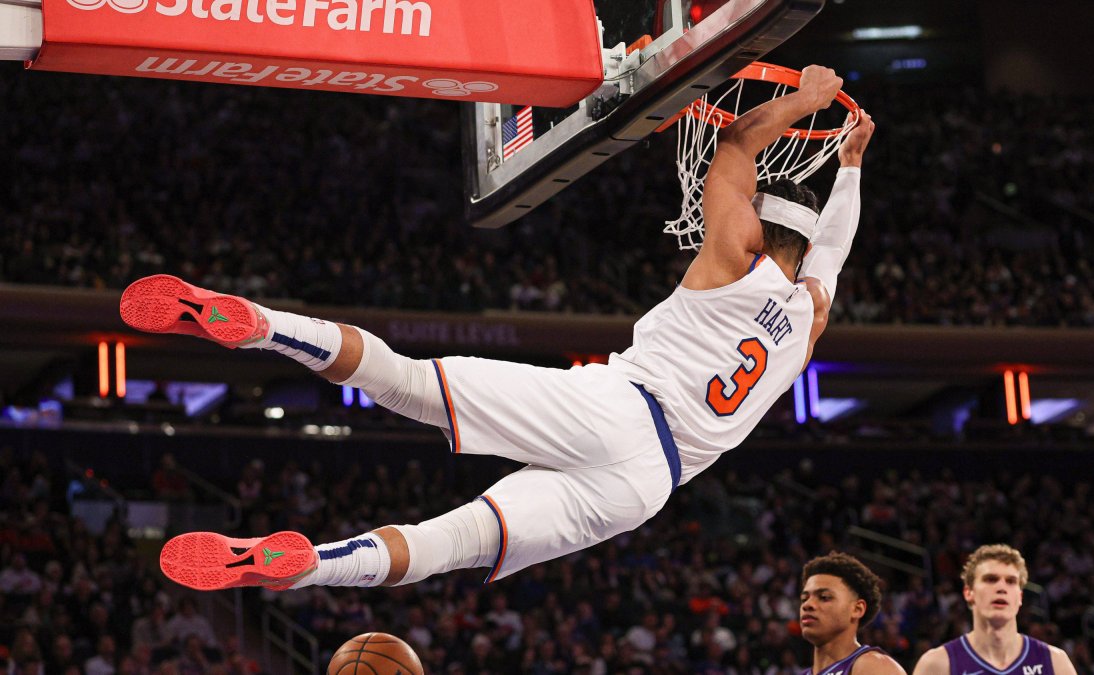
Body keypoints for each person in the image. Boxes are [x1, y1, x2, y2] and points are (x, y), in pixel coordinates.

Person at [119, 64, 875, 592]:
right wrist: (849, 170)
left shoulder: (735, 255)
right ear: (802, 248)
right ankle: (311, 564)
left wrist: (808, 100)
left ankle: (263, 327)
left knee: (408, 381)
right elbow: (832, 253)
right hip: (650, 487)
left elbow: (740, 141)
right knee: (453, 542)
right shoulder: (809, 315)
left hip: (623, 407)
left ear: (757, 222)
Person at [913, 544, 1077, 675]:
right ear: (969, 592)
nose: (1001, 588)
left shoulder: (1055, 662)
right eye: (991, 579)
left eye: (1011, 581)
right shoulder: (937, 665)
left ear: (1019, 597)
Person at [798, 553, 904, 675]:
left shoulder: (873, 666)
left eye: (824, 597)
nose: (807, 605)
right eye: (804, 598)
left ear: (857, 609)